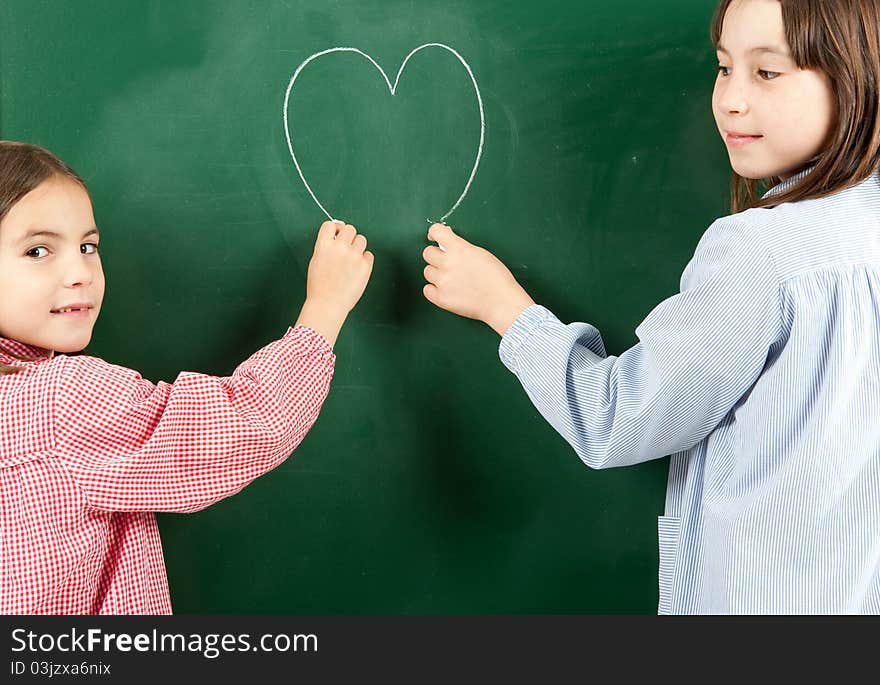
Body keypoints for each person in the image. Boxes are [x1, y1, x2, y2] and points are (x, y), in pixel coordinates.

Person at [422, 0, 880, 613]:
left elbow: (619, 421)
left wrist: (504, 308)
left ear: (854, 78)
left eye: (767, 72)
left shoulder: (761, 254)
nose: (730, 100)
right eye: (723, 68)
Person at [0, 140, 373, 614]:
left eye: (88, 246)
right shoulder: (56, 402)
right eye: (37, 250)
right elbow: (245, 426)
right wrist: (325, 307)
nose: (81, 272)